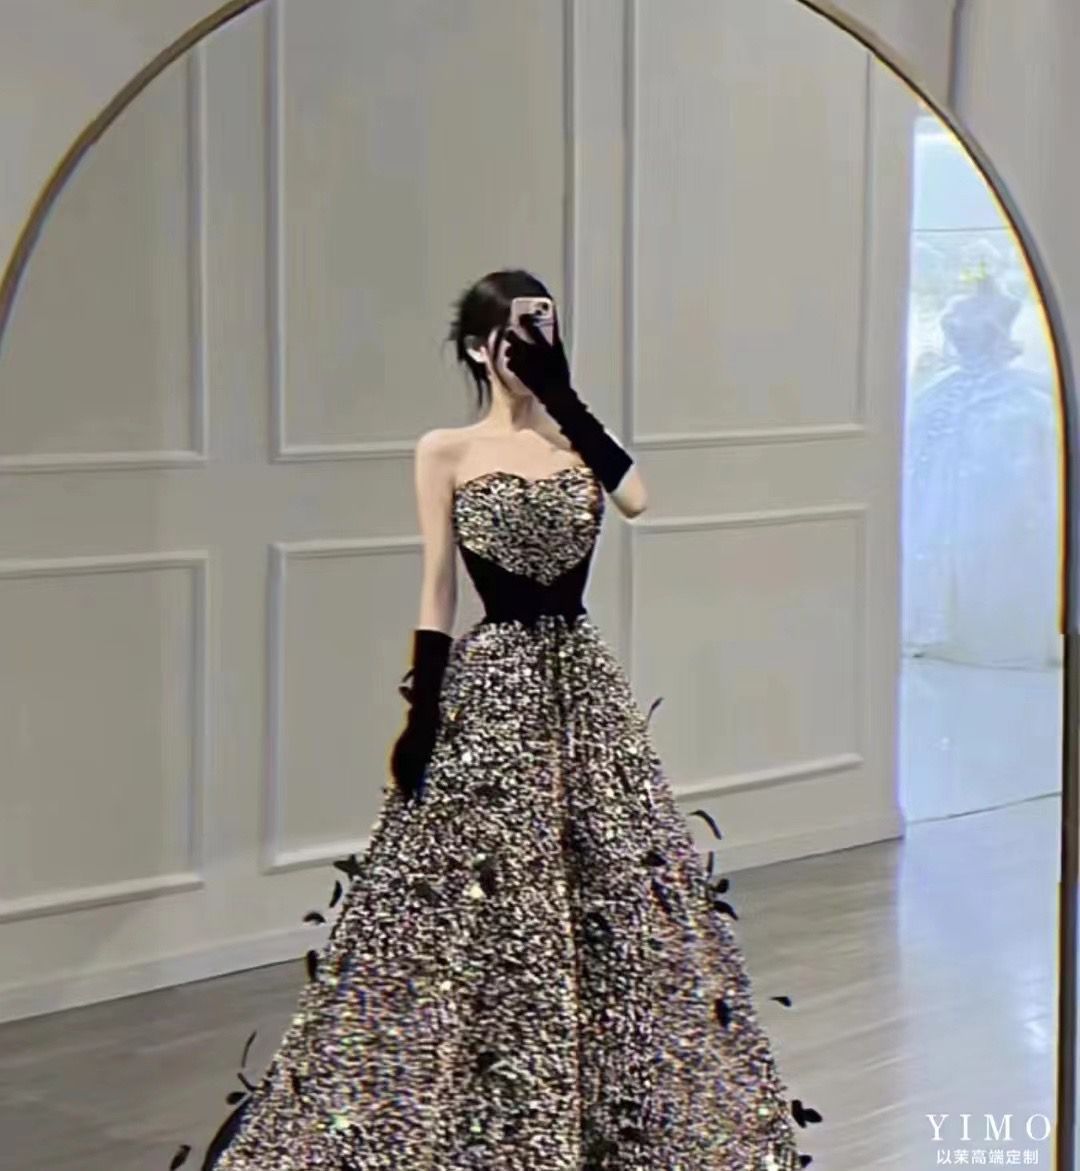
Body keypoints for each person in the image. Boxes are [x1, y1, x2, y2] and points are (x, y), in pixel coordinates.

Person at [172, 269, 821, 1170]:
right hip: (494, 684)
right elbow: (438, 584)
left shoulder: (576, 444)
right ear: (481, 348)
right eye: (517, 337)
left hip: (581, 686)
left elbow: (638, 498)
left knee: (610, 889)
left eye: (546, 332)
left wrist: (565, 397)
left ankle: (622, 1115)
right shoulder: (445, 450)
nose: (532, 349)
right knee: (476, 894)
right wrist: (422, 709)